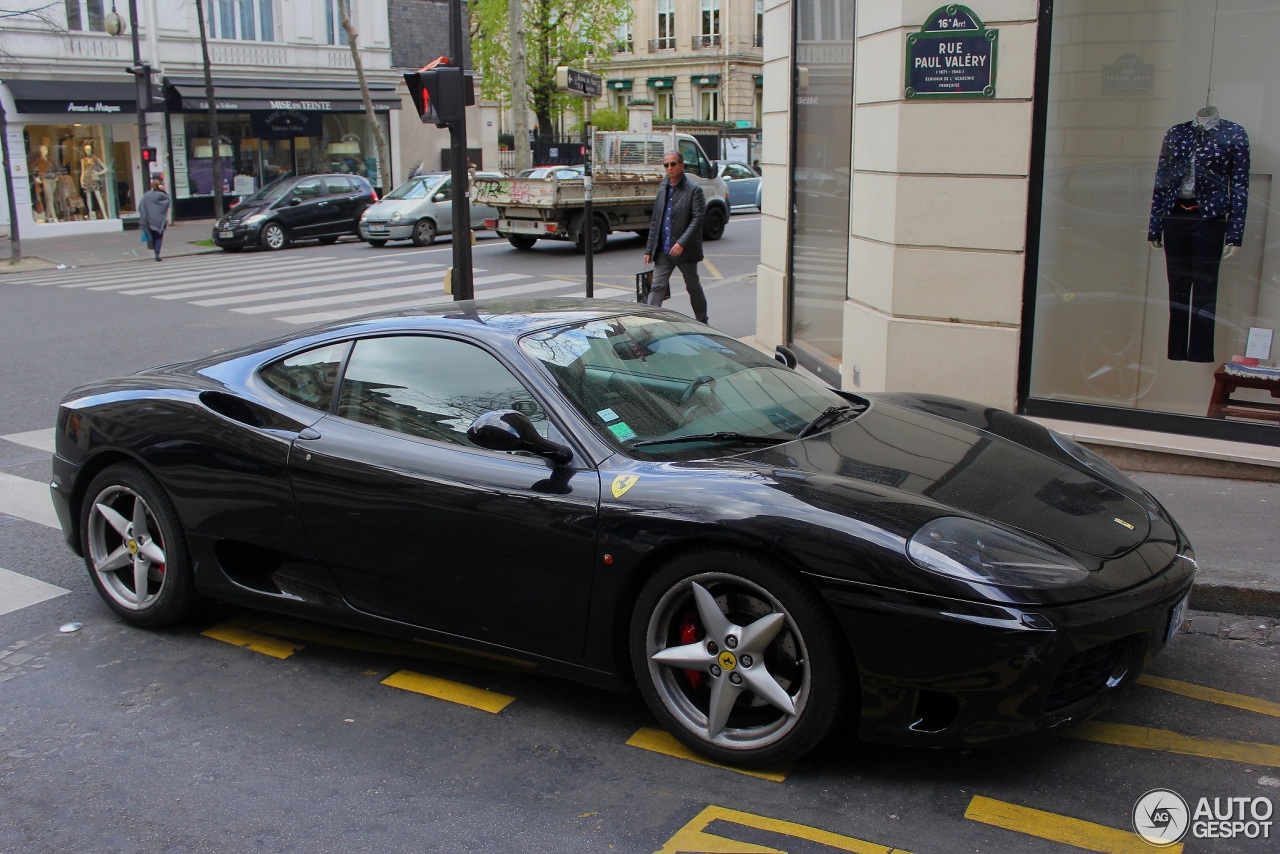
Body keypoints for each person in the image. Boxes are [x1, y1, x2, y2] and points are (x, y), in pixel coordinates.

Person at [643, 152, 709, 324]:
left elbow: (698, 219)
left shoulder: (694, 190)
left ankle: (703, 322)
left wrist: (682, 243)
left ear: (681, 165)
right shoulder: (663, 187)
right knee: (657, 287)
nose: (670, 168)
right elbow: (656, 220)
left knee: (693, 287)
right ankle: (650, 325)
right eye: (666, 165)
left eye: (673, 164)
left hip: (685, 252)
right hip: (663, 250)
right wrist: (649, 249)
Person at [138, 176, 171, 262]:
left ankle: (153, 249)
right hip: (159, 220)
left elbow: (141, 207)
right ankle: (157, 253)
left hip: (149, 220)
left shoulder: (146, 195)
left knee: (151, 236)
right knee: (159, 237)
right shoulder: (163, 195)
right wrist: (163, 190)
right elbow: (168, 202)